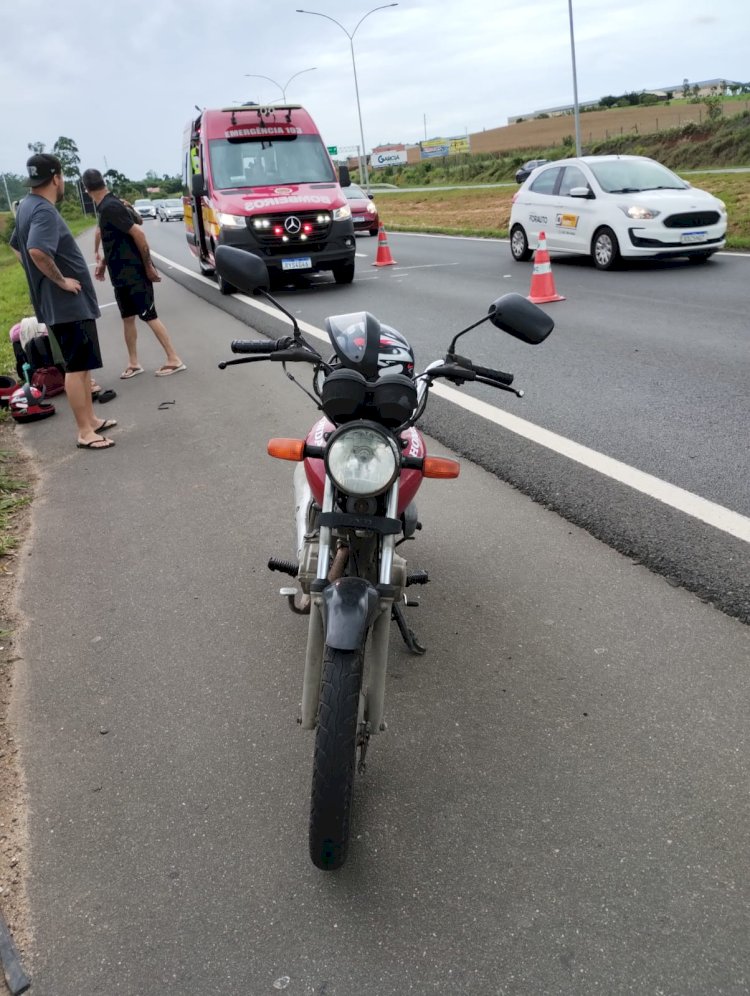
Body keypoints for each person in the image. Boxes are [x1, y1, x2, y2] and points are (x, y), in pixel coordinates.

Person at [10, 154, 117, 450]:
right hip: (66, 302)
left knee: (82, 363)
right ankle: (85, 431)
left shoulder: (26, 206)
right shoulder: (43, 210)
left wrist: (37, 278)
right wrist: (59, 280)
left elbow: (16, 247)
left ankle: (91, 420)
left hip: (59, 303)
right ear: (56, 177)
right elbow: (35, 251)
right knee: (76, 367)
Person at [81, 169, 185, 380]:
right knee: (127, 318)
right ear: (103, 182)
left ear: (86, 189)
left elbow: (139, 232)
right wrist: (103, 262)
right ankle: (134, 362)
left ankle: (174, 358)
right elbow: (115, 242)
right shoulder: (106, 207)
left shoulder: (110, 207)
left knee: (149, 315)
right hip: (120, 276)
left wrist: (147, 266)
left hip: (134, 273)